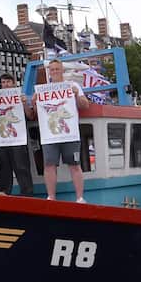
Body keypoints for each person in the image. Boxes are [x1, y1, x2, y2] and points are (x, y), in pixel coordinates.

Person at [30, 59, 87, 202]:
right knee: (49, 165)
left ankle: (80, 198)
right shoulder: (43, 89)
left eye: (57, 69)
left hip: (70, 134)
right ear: (49, 72)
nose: (55, 71)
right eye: (52, 69)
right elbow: (37, 112)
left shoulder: (73, 85)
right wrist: (34, 103)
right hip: (50, 135)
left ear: (62, 70)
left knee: (75, 164)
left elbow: (85, 105)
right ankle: (51, 197)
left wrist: (76, 95)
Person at [0, 72, 34, 196]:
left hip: (18, 139)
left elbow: (30, 115)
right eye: (3, 82)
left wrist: (24, 103)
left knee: (21, 167)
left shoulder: (21, 97)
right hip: (1, 139)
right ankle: (3, 192)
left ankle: (27, 193)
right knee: (3, 168)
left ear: (13, 84)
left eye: (8, 82)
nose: (5, 85)